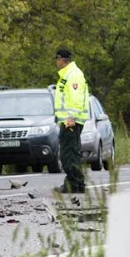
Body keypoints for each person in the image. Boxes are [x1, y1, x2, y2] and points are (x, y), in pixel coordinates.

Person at [52, 48, 91, 194]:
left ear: (61, 60)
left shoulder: (73, 74)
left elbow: (75, 98)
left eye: (57, 60)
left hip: (71, 121)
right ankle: (74, 182)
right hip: (69, 120)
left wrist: (71, 118)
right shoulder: (67, 74)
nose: (56, 63)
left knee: (69, 153)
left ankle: (75, 183)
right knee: (70, 152)